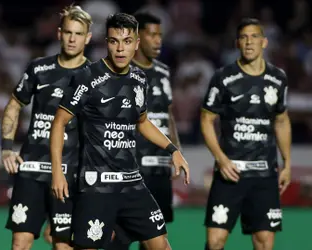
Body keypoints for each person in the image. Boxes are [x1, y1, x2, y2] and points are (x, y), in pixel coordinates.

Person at [50, 13, 190, 250]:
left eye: (126, 42)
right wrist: (57, 172)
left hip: (132, 184)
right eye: (114, 41)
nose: (120, 49)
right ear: (107, 42)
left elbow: (142, 122)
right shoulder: (87, 77)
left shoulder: (139, 79)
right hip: (97, 186)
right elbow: (59, 123)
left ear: (136, 44)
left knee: (161, 245)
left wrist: (172, 149)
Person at [1, 5, 92, 250]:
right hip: (31, 168)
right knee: (20, 242)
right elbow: (13, 105)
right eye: (69, 32)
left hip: (68, 173)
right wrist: (7, 148)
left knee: (63, 244)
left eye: (79, 34)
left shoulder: (94, 76)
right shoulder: (39, 68)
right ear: (59, 33)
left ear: (88, 38)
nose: (73, 39)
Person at [201, 18, 291, 250]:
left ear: (264, 42)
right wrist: (221, 159)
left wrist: (287, 163)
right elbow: (206, 119)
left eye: (254, 37)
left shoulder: (278, 78)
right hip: (229, 174)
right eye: (243, 37)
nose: (249, 42)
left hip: (264, 176)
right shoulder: (223, 77)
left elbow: (281, 120)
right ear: (237, 43)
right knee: (215, 241)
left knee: (264, 243)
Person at [107, 12, 180, 250]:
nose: (158, 40)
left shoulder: (163, 72)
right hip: (134, 169)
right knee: (120, 238)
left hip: (159, 168)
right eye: (152, 35)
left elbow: (167, 114)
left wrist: (174, 151)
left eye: (160, 35)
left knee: (154, 238)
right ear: (137, 39)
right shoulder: (121, 72)